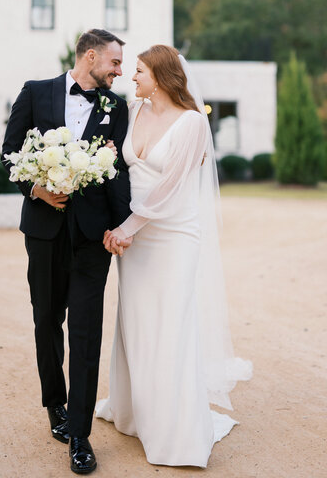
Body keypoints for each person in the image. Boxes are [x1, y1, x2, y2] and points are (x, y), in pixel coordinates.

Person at [97, 45, 252, 468]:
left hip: (171, 235)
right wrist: (119, 225)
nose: (133, 77)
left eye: (140, 70)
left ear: (162, 76)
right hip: (134, 240)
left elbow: (169, 189)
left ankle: (176, 432)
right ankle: (135, 411)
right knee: (136, 321)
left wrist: (127, 228)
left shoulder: (192, 123)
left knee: (171, 323)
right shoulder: (134, 109)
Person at [1, 29, 132, 475]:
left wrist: (121, 227)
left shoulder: (116, 107)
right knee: (46, 321)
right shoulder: (35, 93)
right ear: (90, 56)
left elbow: (117, 172)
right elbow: (9, 154)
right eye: (115, 63)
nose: (119, 71)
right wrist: (35, 187)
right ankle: (54, 405)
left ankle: (80, 434)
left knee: (86, 332)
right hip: (44, 232)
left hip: (93, 238)